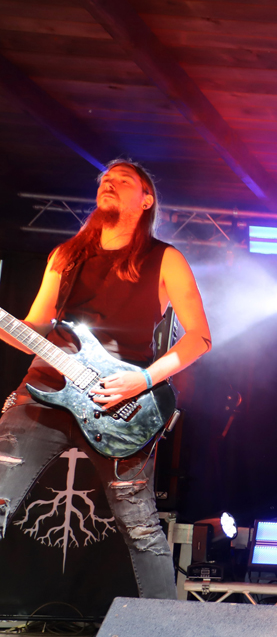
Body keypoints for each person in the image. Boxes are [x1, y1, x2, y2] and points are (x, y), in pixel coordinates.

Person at [0, 159, 212, 600]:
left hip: (121, 402)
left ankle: (163, 630)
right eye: (104, 180)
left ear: (146, 200)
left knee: (140, 527)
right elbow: (35, 327)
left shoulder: (165, 258)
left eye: (123, 180)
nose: (109, 183)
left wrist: (143, 380)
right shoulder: (67, 254)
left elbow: (199, 338)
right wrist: (8, 327)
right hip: (45, 388)